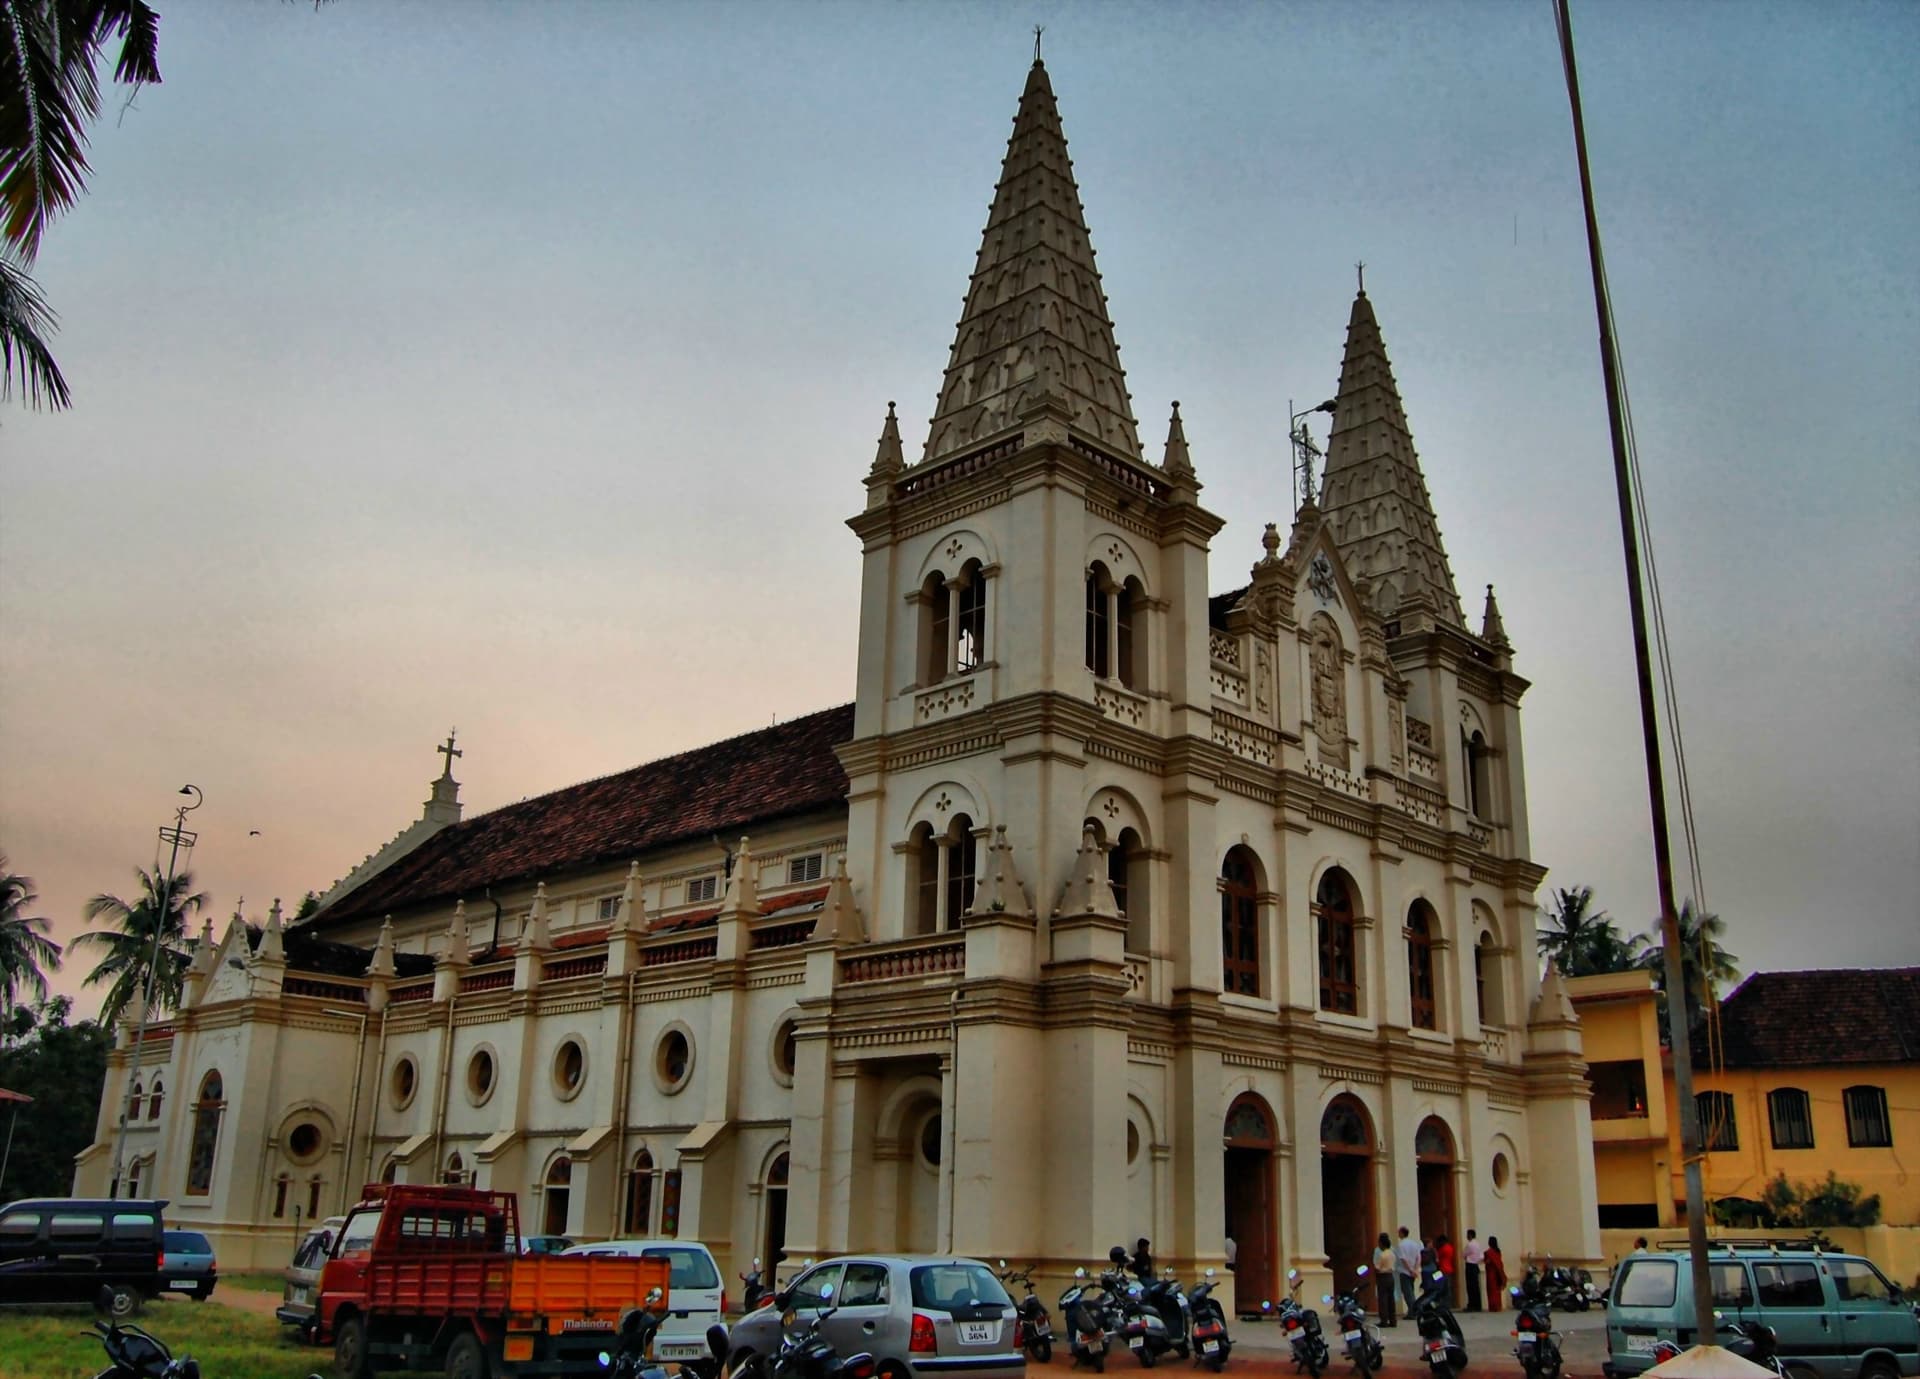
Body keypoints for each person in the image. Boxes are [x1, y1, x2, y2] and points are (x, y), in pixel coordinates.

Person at [1373, 1232, 1398, 1326]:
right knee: (1391, 1299)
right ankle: (1393, 1320)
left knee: (1383, 1299)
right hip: (1391, 1276)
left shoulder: (1382, 1255)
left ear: (1382, 1243)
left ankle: (1384, 1320)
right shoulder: (1392, 1253)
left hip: (1383, 1277)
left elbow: (1378, 1267)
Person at [1394, 1226, 1421, 1312]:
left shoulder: (1401, 1245)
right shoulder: (1414, 1244)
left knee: (1407, 1293)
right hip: (1413, 1271)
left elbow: (1403, 1259)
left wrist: (1410, 1270)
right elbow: (1418, 1257)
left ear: (1402, 1233)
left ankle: (1413, 1310)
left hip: (1405, 1271)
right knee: (1411, 1291)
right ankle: (1411, 1310)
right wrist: (1415, 1269)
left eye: (1399, 1232)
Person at [1463, 1230, 1485, 1312]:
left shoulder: (1470, 1245)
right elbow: (1481, 1257)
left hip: (1470, 1265)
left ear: (1470, 1235)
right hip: (1476, 1265)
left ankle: (1472, 1305)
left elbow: (1464, 1254)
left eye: (1468, 1234)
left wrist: (1469, 1258)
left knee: (1470, 1286)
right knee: (1476, 1286)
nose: (1467, 1236)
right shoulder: (1478, 1244)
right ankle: (1477, 1305)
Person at [1485, 1236, 1506, 1313]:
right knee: (1497, 1290)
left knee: (1491, 1290)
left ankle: (1493, 1306)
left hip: (1491, 1273)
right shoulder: (1498, 1251)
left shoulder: (1488, 1252)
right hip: (1498, 1273)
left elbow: (1488, 1262)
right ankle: (1498, 1305)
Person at [1435, 1234, 1456, 1303]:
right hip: (1449, 1269)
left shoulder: (1442, 1249)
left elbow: (1437, 1259)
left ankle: (1440, 1303)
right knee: (1447, 1287)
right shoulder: (1450, 1247)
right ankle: (1447, 1303)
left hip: (1441, 1270)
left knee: (1439, 1287)